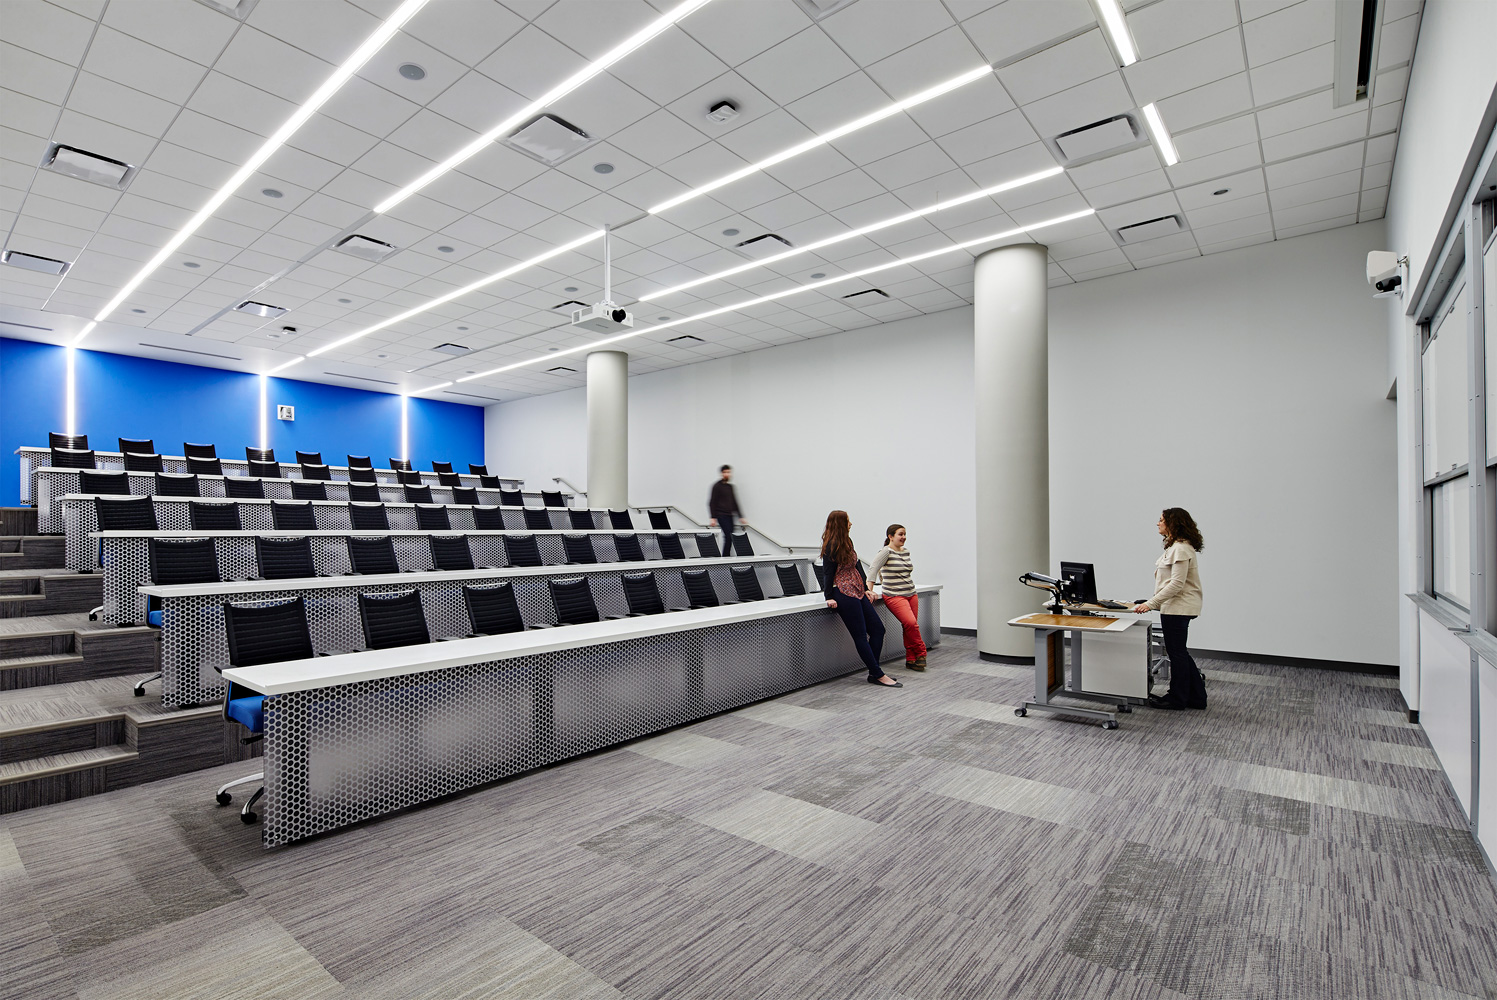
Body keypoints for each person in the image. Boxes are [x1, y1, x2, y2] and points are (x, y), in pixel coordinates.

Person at [1133, 508, 1206, 710]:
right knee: (1179, 652)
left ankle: (1177, 699)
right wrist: (1152, 601)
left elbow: (1176, 584)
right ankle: (1197, 697)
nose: (1158, 523)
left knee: (1177, 654)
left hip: (1178, 608)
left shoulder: (1181, 548)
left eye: (1161, 520)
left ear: (1173, 524)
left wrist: (1150, 604)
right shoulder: (1177, 547)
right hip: (1174, 607)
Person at [821, 510, 900, 687]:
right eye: (848, 521)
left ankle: (874, 672)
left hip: (856, 590)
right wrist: (829, 596)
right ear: (840, 524)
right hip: (843, 592)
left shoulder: (847, 542)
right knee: (860, 636)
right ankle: (878, 674)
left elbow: (857, 566)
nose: (851, 524)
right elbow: (827, 573)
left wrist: (866, 589)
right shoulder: (831, 545)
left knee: (878, 629)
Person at [869, 524, 926, 670]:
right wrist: (869, 590)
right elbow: (873, 570)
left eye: (905, 534)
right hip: (894, 595)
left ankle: (911, 659)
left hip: (911, 593)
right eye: (900, 534)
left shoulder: (905, 551)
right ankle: (921, 652)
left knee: (909, 627)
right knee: (911, 624)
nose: (904, 537)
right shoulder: (886, 552)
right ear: (890, 536)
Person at [707, 465, 746, 555]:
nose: (727, 474)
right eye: (725, 472)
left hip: (730, 515)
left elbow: (735, 502)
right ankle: (725, 557)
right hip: (721, 515)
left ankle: (726, 556)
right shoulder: (717, 486)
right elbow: (712, 502)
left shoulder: (730, 487)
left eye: (728, 472)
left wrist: (740, 516)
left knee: (731, 537)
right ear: (721, 473)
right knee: (728, 536)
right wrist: (713, 517)